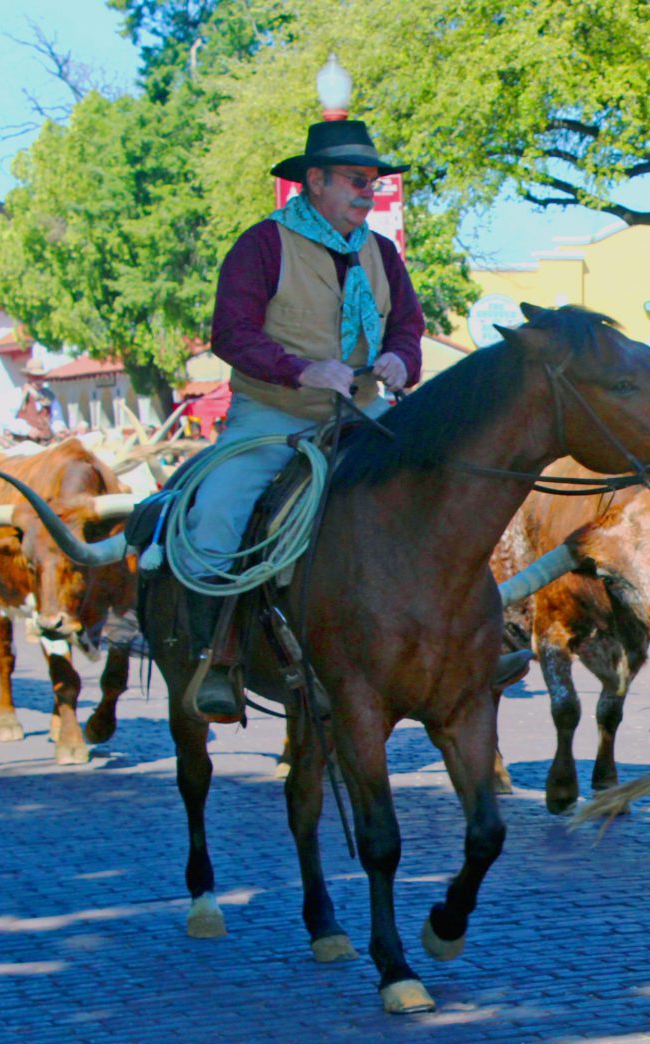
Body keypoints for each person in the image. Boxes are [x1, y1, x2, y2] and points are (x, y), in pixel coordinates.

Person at [190, 115, 425, 719]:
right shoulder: (262, 244)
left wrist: (401, 356)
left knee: (435, 493)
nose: (365, 194)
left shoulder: (382, 252)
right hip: (272, 414)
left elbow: (407, 325)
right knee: (217, 514)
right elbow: (231, 334)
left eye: (371, 183)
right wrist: (300, 369)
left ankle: (466, 637)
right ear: (314, 181)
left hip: (361, 413)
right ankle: (218, 657)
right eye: (354, 180)